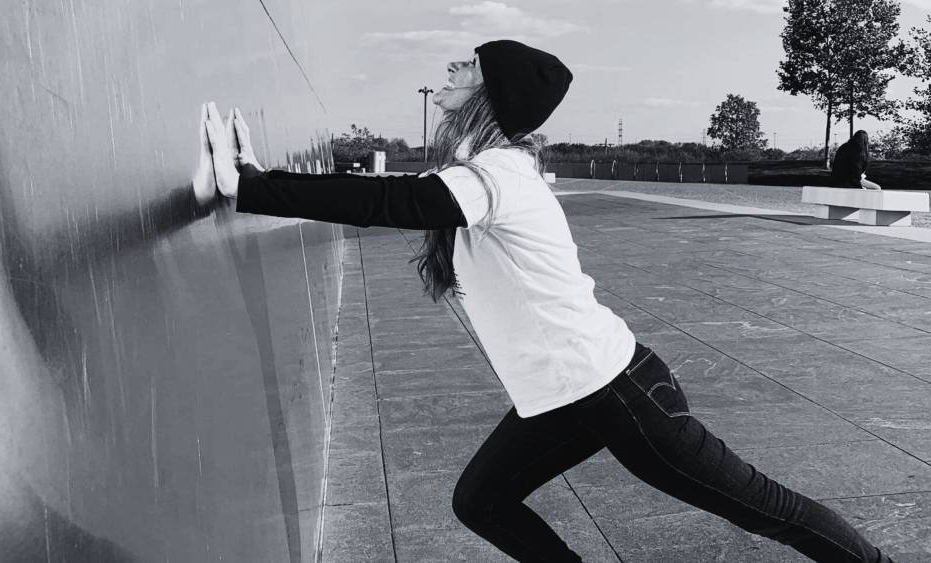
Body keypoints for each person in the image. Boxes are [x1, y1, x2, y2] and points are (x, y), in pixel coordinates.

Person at [196, 40, 895, 563]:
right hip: (570, 394)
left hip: (619, 390)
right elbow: (401, 197)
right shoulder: (488, 170)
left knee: (762, 507)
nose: (449, 69)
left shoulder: (500, 173)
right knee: (481, 501)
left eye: (465, 66)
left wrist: (251, 188)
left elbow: (391, 201)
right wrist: (254, 178)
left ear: (490, 93)